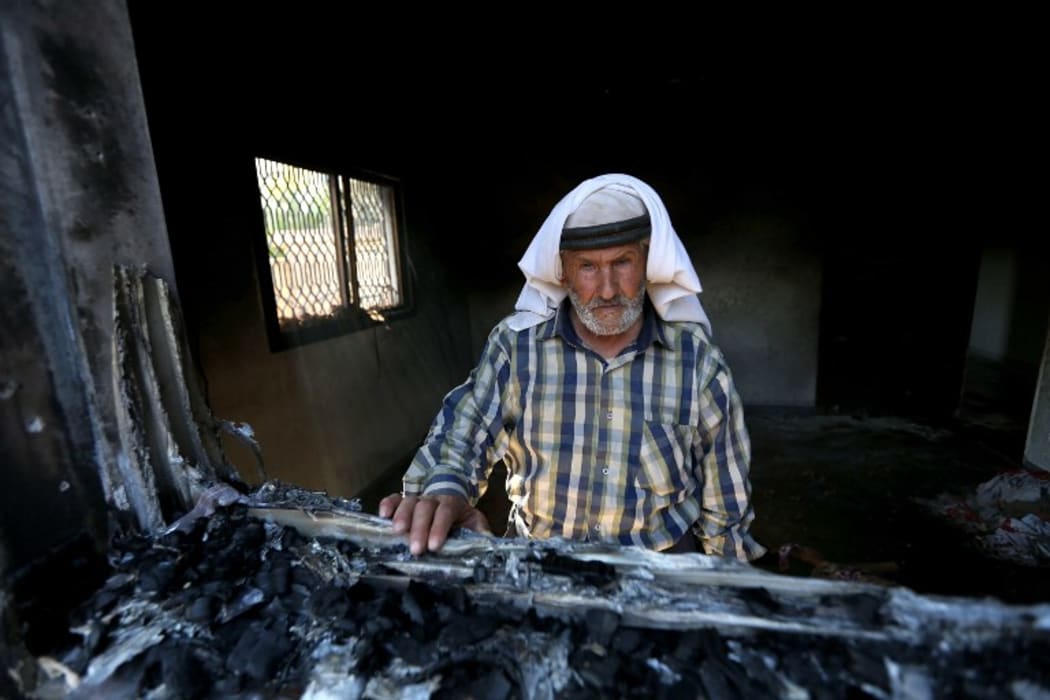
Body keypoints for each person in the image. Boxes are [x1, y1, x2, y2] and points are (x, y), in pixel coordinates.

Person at [379, 173, 765, 562]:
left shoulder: (697, 362)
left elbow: (725, 499)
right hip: (539, 564)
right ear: (561, 272)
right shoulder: (517, 348)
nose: (608, 288)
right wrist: (446, 488)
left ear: (647, 262)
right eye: (587, 267)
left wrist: (727, 580)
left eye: (622, 262)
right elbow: (465, 433)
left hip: (659, 568)